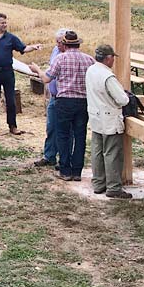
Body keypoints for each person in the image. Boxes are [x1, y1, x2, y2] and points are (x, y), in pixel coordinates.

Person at [29, 31, 93, 182]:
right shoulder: (89, 59)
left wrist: (37, 70)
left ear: (64, 44)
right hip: (83, 101)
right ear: (78, 44)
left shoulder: (60, 58)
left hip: (64, 101)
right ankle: (77, 171)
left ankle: (65, 170)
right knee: (80, 136)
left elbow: (46, 78)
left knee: (63, 135)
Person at [85, 44, 132, 198]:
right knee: (112, 153)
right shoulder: (107, 76)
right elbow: (122, 99)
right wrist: (125, 95)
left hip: (95, 116)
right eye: (112, 58)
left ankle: (99, 183)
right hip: (110, 118)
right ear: (108, 58)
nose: (113, 61)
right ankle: (114, 187)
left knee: (97, 152)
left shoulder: (91, 70)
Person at [0, 13, 41, 135]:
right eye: (2, 23)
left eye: (5, 22)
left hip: (7, 72)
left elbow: (23, 48)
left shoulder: (11, 38)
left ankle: (12, 126)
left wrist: (34, 47)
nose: (5, 25)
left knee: (10, 100)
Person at [34, 28, 68, 168]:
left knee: (65, 130)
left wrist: (38, 71)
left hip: (64, 97)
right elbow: (50, 70)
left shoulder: (68, 56)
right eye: (57, 42)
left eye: (60, 42)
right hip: (54, 96)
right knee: (51, 127)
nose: (58, 45)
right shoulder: (55, 51)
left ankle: (64, 160)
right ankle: (49, 156)